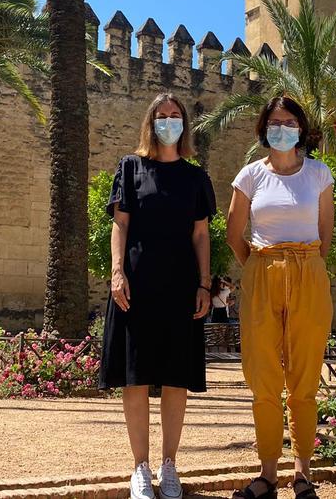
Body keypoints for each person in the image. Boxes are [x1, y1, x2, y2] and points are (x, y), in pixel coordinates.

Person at [100, 93, 216, 499]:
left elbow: (201, 235)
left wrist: (205, 284)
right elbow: (120, 226)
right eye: (162, 116)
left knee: (174, 378)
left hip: (182, 287)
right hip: (136, 284)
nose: (169, 122)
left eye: (176, 116)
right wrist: (116, 274)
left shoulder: (196, 177)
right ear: (151, 122)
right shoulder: (130, 168)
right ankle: (139, 467)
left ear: (185, 123)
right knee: (136, 377)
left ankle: (169, 465)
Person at [227, 95, 334, 499]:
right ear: (263, 129)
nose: (283, 128)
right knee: (263, 377)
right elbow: (234, 233)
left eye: (290, 122)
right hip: (262, 268)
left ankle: (303, 473)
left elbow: (326, 235)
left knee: (305, 378)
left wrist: (303, 266)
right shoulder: (250, 175)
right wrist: (258, 267)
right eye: (275, 122)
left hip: (309, 270)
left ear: (301, 128)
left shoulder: (319, 174)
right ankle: (267, 473)